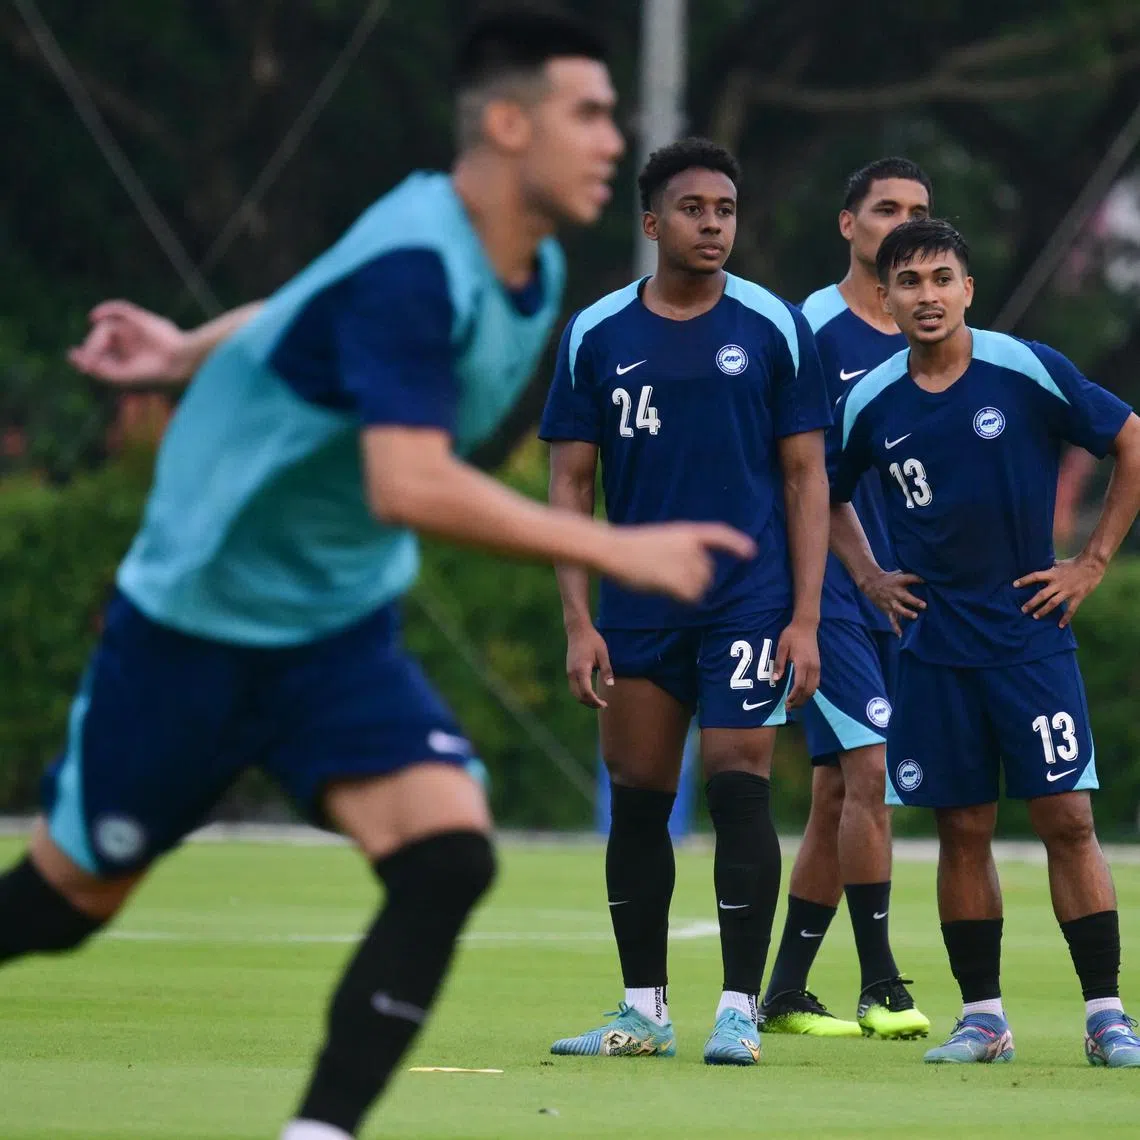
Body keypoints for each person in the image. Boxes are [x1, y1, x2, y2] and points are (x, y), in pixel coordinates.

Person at [0, 11, 757, 1140]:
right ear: (508, 123)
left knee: (449, 856)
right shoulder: (421, 255)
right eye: (589, 114)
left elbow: (307, 302)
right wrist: (613, 548)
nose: (614, 139)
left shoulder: (523, 259)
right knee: (63, 907)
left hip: (334, 633)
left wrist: (180, 349)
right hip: (196, 629)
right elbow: (408, 484)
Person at [539, 138, 832, 1066]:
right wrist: (579, 620)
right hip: (634, 611)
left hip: (748, 604)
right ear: (652, 222)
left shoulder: (776, 326)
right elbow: (569, 488)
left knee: (739, 790)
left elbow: (805, 480)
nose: (714, 224)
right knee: (637, 800)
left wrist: (807, 617)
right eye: (695, 208)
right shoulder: (597, 333)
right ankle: (642, 1011)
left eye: (726, 209)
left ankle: (739, 1010)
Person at [830, 216, 1140, 1066]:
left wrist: (1092, 561)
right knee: (961, 828)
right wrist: (867, 577)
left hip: (1031, 639)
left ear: (968, 289)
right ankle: (984, 1018)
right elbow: (818, 489)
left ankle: (1108, 1016)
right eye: (909, 283)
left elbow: (1130, 438)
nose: (926, 296)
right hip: (932, 649)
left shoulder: (1024, 367)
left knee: (1068, 819)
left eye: (941, 279)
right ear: (886, 300)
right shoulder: (870, 400)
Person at [761, 159, 933, 1039]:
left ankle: (786, 991)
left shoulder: (929, 331)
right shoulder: (809, 329)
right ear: (848, 225)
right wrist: (831, 582)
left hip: (906, 593)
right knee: (869, 774)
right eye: (887, 210)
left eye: (919, 213)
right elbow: (798, 476)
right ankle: (883, 985)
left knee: (837, 791)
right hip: (826, 587)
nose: (904, 224)